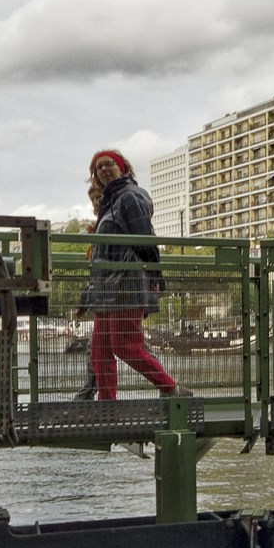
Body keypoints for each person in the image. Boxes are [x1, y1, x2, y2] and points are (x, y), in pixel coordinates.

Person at [81, 150, 180, 402]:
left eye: (109, 164)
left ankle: (171, 389)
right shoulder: (110, 201)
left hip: (126, 283)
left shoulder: (129, 197)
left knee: (125, 345)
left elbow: (144, 238)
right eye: (98, 168)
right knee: (100, 351)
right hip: (107, 287)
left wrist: (156, 274)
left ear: (122, 167)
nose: (103, 170)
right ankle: (107, 407)